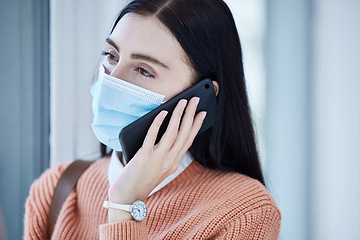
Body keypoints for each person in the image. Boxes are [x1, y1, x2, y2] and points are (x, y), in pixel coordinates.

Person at [24, 0, 281, 239]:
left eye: (143, 70)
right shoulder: (56, 189)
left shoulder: (244, 213)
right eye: (112, 55)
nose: (112, 78)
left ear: (200, 97)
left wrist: (125, 205)